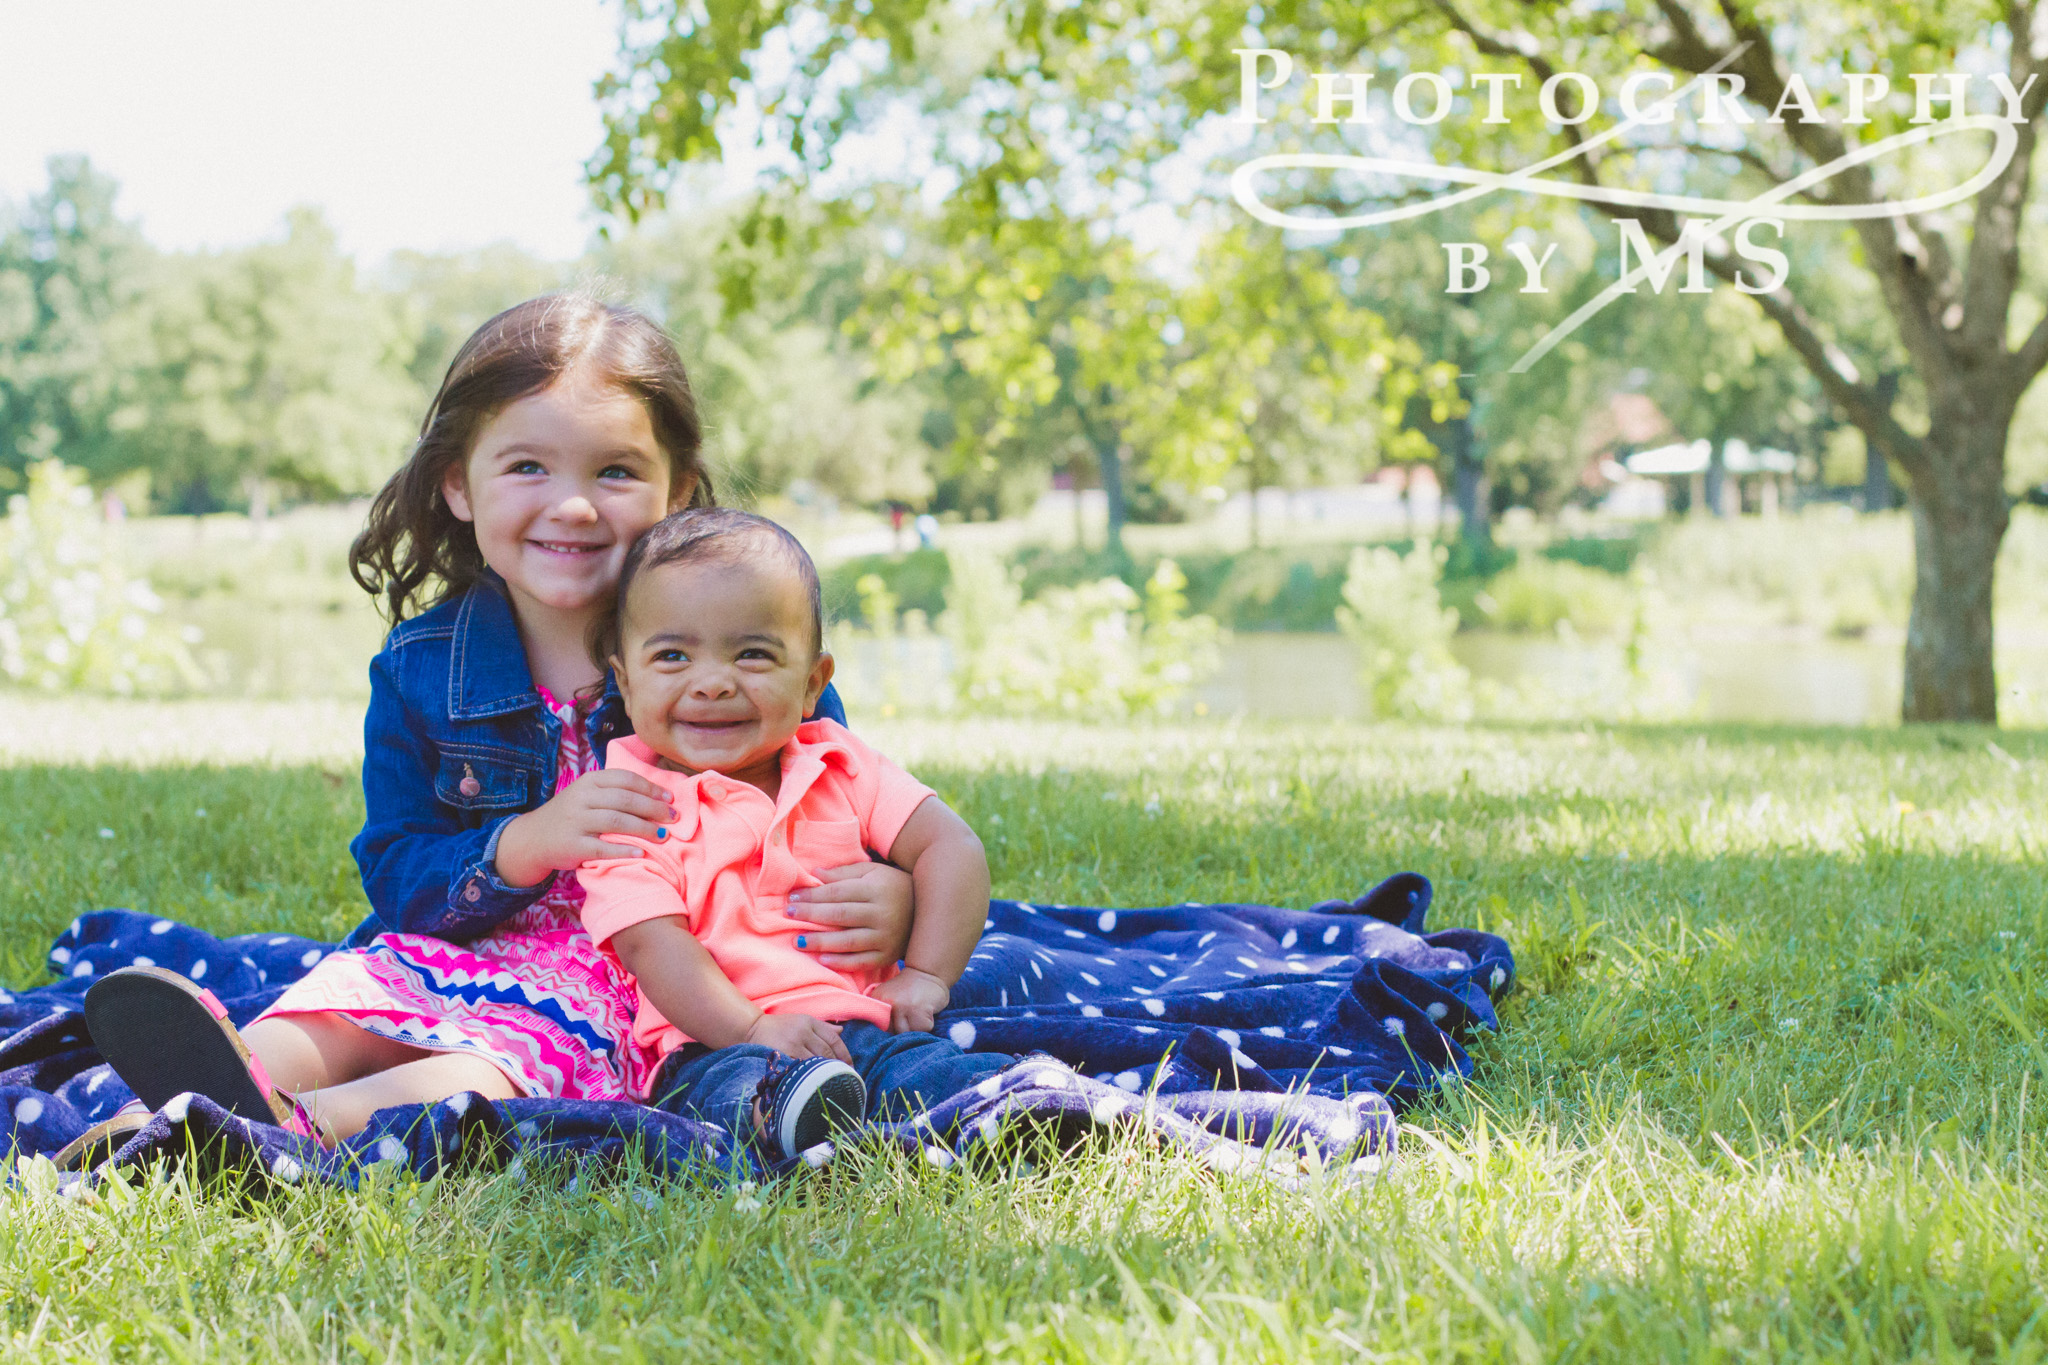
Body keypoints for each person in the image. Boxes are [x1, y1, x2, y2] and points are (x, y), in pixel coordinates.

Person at [71, 294, 916, 1158]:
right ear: (458, 484)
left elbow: (840, 805)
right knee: (348, 999)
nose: (574, 506)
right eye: (528, 468)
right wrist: (523, 843)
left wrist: (895, 896)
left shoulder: (747, 662)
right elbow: (399, 875)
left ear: (678, 490)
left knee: (493, 1061)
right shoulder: (423, 666)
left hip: (627, 976)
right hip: (449, 950)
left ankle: (290, 1128)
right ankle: (213, 1084)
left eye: (615, 472)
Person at [578, 507, 1013, 1160]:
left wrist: (926, 974)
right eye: (672, 656)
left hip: (858, 1023)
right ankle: (787, 1115)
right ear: (626, 682)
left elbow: (951, 847)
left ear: (812, 683)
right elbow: (652, 943)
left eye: (752, 654)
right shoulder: (628, 804)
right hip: (716, 1040)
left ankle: (1012, 1106)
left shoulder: (838, 762)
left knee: (924, 1069)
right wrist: (753, 1026)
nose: (713, 682)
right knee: (723, 1095)